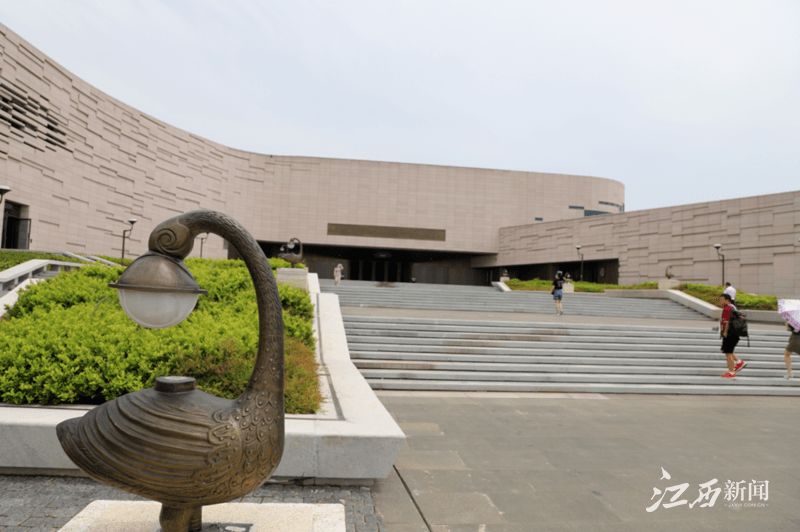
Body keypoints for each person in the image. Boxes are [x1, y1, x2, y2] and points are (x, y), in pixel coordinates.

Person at [719, 293, 746, 378]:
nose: (720, 301)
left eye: (721, 299)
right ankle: (739, 362)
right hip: (735, 333)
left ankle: (731, 372)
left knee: (728, 353)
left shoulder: (727, 308)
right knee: (728, 350)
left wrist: (724, 332)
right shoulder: (733, 307)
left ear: (726, 300)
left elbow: (726, 322)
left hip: (730, 334)